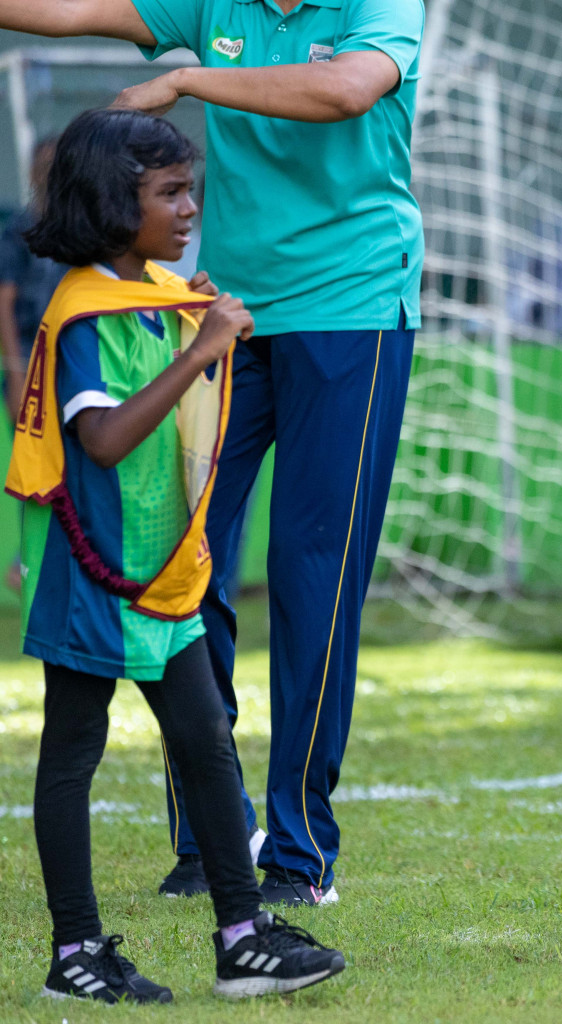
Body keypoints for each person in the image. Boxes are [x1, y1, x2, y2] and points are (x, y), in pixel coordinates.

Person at [0, 0, 426, 906]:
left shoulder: (378, 6)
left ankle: (300, 853)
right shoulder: (214, 2)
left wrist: (188, 77)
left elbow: (348, 89)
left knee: (314, 576)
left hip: (351, 308)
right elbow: (74, 9)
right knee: (178, 558)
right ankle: (207, 841)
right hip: (221, 316)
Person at [11, 108, 345, 1004]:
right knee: (71, 754)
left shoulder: (159, 292)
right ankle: (75, 953)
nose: (190, 207)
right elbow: (107, 441)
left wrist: (197, 328)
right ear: (113, 204)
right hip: (92, 575)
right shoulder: (83, 313)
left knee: (205, 744)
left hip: (164, 573)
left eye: (189, 188)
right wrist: (200, 349)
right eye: (170, 192)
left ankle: (240, 935)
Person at [0, 137, 67, 422]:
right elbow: (5, 303)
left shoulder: (79, 231)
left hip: (70, 352)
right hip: (28, 355)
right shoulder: (17, 231)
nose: (50, 175)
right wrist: (16, 377)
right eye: (44, 166)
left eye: (57, 167)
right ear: (32, 173)